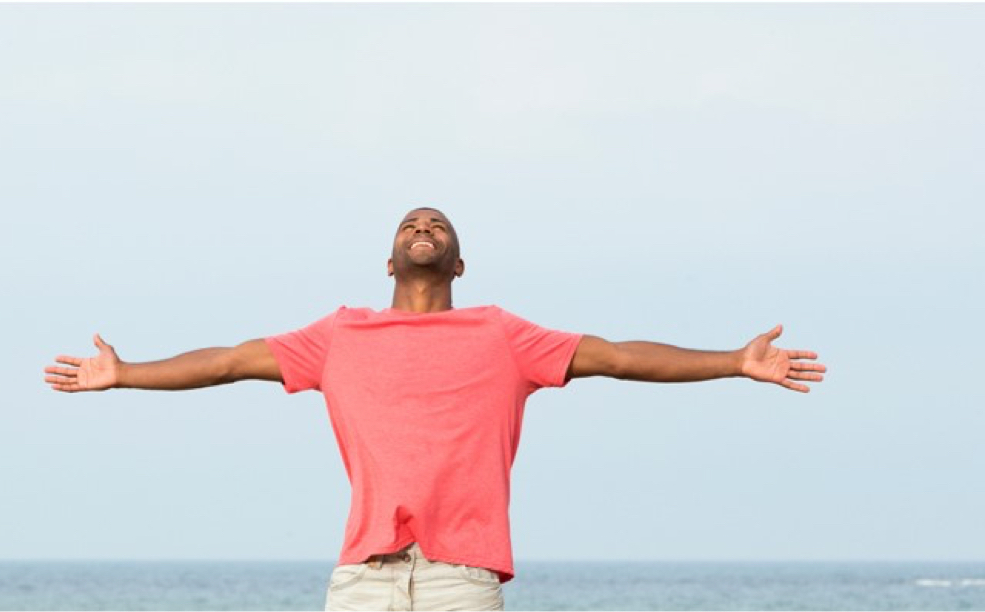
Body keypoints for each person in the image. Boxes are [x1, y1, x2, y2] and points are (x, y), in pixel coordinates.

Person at [42, 207, 826, 611]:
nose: (424, 227)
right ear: (390, 258)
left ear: (459, 259)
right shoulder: (336, 336)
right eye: (410, 223)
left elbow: (620, 356)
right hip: (363, 576)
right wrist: (126, 374)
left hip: (461, 575)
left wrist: (734, 362)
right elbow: (223, 362)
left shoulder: (504, 335)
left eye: (438, 223)